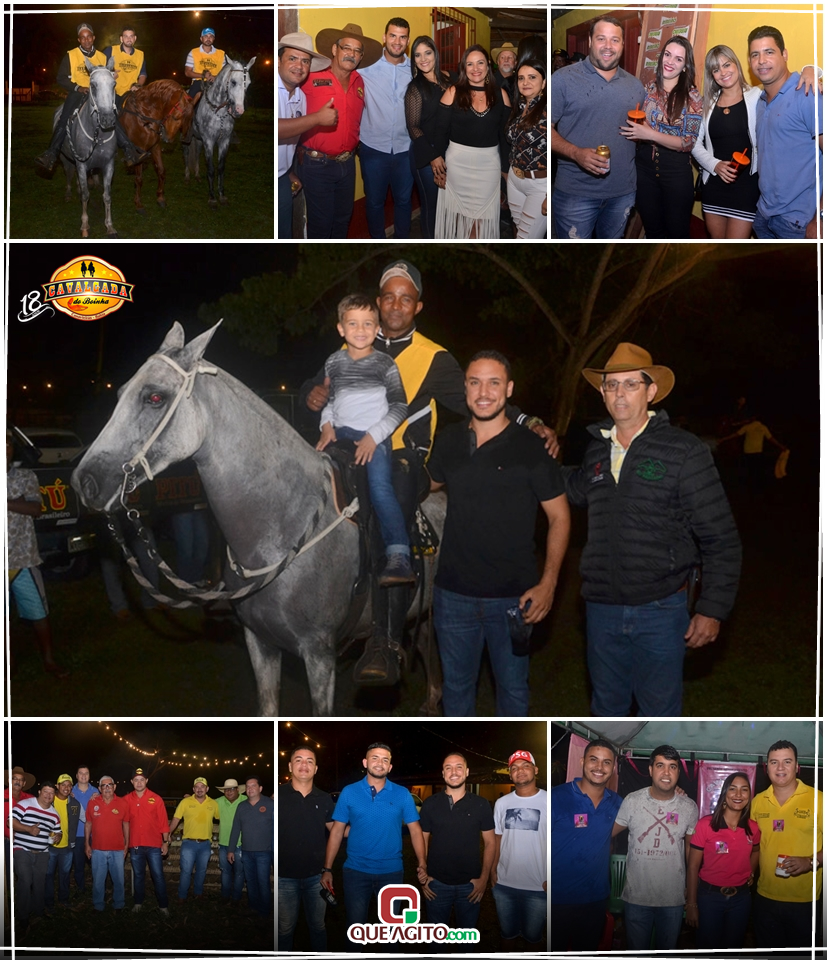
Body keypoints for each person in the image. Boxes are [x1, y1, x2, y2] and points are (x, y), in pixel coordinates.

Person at [301, 260, 558, 683]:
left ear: (418, 306)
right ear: (378, 303)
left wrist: (528, 420)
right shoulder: (354, 339)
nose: (396, 305)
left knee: (393, 499)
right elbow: (317, 389)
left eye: (406, 298)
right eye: (389, 297)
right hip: (344, 449)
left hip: (402, 456)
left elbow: (480, 401)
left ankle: (385, 642)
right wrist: (312, 397)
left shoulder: (435, 358)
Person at [564, 343, 742, 716]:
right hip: (601, 609)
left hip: (660, 609)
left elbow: (721, 537)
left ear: (651, 392)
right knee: (606, 716)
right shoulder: (596, 451)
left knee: (659, 716)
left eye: (631, 384)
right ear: (602, 393)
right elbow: (570, 489)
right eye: (612, 385)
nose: (620, 393)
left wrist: (712, 608)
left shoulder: (683, 450)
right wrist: (530, 457)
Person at [428, 351, 569, 716]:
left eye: (494, 383)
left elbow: (559, 517)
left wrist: (549, 583)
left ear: (509, 389)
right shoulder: (449, 440)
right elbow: (426, 484)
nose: (483, 392)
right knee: (456, 692)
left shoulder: (532, 446)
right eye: (475, 382)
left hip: (513, 599)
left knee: (513, 691)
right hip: (453, 595)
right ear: (465, 388)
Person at [315, 293, 414, 586]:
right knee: (312, 472)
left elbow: (400, 406)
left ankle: (399, 554)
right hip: (340, 433)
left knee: (380, 487)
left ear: (378, 328)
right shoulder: (333, 362)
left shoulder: (385, 363)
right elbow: (331, 401)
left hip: (374, 436)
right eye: (353, 323)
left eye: (368, 323)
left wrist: (374, 436)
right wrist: (326, 426)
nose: (361, 330)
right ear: (340, 328)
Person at [550, 17, 645, 239]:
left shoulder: (636, 86)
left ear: (623, 44)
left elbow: (637, 133)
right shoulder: (562, 79)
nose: (608, 46)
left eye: (615, 40)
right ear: (591, 41)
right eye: (601, 38)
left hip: (622, 192)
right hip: (575, 192)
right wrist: (576, 153)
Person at [321, 743, 426, 935]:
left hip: (391, 872)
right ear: (365, 762)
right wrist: (327, 868)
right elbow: (336, 832)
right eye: (375, 758)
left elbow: (415, 831)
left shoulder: (402, 794)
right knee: (355, 930)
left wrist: (422, 862)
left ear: (390, 767)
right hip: (356, 872)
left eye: (385, 760)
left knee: (392, 931)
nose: (380, 763)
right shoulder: (349, 792)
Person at [611, 745, 699, 950]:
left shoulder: (689, 807)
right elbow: (606, 835)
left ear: (678, 772)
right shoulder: (632, 801)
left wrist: (691, 895)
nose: (666, 772)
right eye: (660, 766)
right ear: (650, 770)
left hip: (673, 899)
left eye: (672, 767)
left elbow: (690, 853)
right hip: (636, 897)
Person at [299, 23, 381, 239]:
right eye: (346, 48)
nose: (351, 54)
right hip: (317, 164)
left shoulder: (360, 82)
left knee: (343, 220)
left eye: (357, 51)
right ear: (335, 50)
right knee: (321, 225)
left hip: (348, 164)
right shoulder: (310, 77)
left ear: (361, 57)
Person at [34, 22, 148, 177]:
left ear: (93, 38)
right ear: (79, 40)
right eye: (83, 37)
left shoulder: (102, 56)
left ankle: (129, 151)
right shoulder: (71, 55)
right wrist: (77, 87)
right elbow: (61, 78)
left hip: (97, 94)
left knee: (111, 115)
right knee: (64, 118)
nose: (86, 40)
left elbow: (107, 76)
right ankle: (51, 154)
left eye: (89, 37)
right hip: (77, 93)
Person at [619, 37, 702, 239]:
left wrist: (650, 134)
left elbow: (688, 142)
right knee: (653, 232)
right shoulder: (647, 89)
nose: (670, 62)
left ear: (685, 66)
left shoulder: (692, 97)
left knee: (677, 235)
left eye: (678, 59)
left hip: (676, 173)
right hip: (644, 170)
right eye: (667, 54)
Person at [749, 25, 823, 239]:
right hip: (764, 215)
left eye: (769, 52)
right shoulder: (760, 101)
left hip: (799, 223)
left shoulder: (808, 94)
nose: (761, 60)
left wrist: (821, 217)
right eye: (755, 54)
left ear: (784, 54)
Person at [7, 431, 69, 677]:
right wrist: (16, 502)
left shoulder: (25, 476)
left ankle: (49, 661)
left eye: (8, 443)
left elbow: (35, 508)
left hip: (24, 559)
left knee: (39, 613)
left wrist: (7, 503)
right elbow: (24, 505)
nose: (4, 448)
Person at [550, 739, 622, 952]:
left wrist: (676, 792)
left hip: (596, 899)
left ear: (613, 768)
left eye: (607, 762)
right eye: (594, 760)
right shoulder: (556, 797)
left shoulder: (618, 803)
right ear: (582, 762)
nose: (600, 767)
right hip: (557, 898)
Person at [751, 739, 823, 949]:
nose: (780, 768)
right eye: (774, 762)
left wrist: (811, 862)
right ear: (766, 768)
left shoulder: (819, 800)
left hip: (805, 901)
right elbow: (751, 845)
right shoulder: (757, 802)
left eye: (787, 761)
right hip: (764, 897)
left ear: (797, 766)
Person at [434, 45, 511, 238]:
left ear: (488, 65)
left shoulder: (501, 95)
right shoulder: (453, 92)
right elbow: (439, 132)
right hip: (457, 165)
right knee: (460, 219)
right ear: (464, 67)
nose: (475, 68)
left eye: (480, 63)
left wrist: (505, 170)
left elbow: (505, 137)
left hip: (488, 166)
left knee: (481, 220)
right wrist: (438, 165)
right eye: (470, 64)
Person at [418, 753, 495, 936]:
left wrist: (484, 879)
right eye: (448, 768)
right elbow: (422, 839)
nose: (454, 772)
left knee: (466, 940)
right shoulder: (430, 804)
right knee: (436, 941)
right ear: (443, 773)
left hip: (470, 885)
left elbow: (490, 842)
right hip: (436, 884)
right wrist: (423, 872)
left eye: (459, 767)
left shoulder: (481, 804)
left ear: (467, 772)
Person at [692, 46, 762, 239]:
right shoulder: (707, 103)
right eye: (716, 69)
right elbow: (694, 144)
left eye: (727, 65)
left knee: (734, 250)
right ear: (712, 75)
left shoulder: (756, 96)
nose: (723, 73)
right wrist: (715, 165)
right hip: (714, 185)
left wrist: (811, 72)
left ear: (736, 64)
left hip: (746, 186)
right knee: (718, 248)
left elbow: (784, 86)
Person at [685, 772, 760, 948]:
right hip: (709, 898)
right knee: (707, 948)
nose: (738, 794)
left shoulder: (753, 828)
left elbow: (756, 851)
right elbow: (693, 867)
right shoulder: (706, 825)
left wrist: (751, 871)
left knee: (733, 948)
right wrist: (692, 904)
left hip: (741, 899)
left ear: (749, 795)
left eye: (744, 790)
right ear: (725, 793)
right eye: (733, 789)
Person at [358, 18, 414, 239]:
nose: (397, 42)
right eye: (393, 35)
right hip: (373, 148)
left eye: (402, 37)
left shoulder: (416, 69)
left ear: (408, 40)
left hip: (405, 149)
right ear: (384, 37)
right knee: (374, 202)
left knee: (404, 201)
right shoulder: (366, 66)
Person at [277, 32, 334, 239]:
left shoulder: (300, 96)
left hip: (282, 177)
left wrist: (289, 171)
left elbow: (291, 137)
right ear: (279, 61)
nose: (299, 66)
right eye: (292, 58)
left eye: (305, 61)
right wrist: (317, 118)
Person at [278, 747, 335, 951]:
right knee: (284, 929)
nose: (304, 765)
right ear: (290, 766)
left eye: (310, 761)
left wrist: (369, 825)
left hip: (317, 877)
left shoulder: (324, 798)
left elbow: (337, 831)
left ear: (316, 768)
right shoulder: (278, 797)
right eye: (299, 760)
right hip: (283, 877)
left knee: (318, 927)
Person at [491, 751, 547, 951]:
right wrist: (493, 870)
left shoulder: (550, 801)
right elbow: (497, 839)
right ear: (510, 774)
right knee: (507, 935)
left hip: (539, 887)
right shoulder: (502, 803)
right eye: (514, 768)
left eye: (525, 766)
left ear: (536, 770)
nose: (520, 771)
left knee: (533, 938)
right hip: (504, 885)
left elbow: (560, 843)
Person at [404, 36, 452, 239]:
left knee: (448, 207)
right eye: (417, 55)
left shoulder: (449, 80)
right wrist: (433, 156)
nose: (423, 59)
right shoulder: (415, 88)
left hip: (449, 151)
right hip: (426, 154)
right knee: (431, 206)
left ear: (435, 54)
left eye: (427, 53)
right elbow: (413, 127)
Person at [12, 781, 61, 938]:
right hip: (22, 849)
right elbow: (10, 822)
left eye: (51, 793)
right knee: (25, 881)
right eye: (45, 791)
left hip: (43, 853)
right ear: (39, 792)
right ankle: (23, 917)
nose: (48, 795)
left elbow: (57, 831)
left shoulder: (54, 814)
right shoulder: (25, 804)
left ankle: (39, 911)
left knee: (40, 883)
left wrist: (58, 837)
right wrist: (28, 829)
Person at [506, 59, 547, 239]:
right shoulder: (519, 107)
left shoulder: (550, 110)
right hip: (514, 181)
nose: (525, 82)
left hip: (539, 185)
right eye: (521, 78)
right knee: (519, 233)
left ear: (543, 83)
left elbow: (560, 154)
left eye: (532, 77)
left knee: (526, 238)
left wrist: (550, 194)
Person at [124, 767, 170, 915]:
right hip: (135, 844)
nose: (139, 783)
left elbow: (163, 823)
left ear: (147, 781)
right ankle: (138, 902)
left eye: (142, 780)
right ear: (132, 782)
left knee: (158, 875)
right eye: (136, 780)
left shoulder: (156, 798)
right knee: (138, 876)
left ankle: (163, 905)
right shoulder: (126, 800)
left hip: (154, 845)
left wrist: (165, 842)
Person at [227, 777, 274, 918]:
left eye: (253, 785)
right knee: (250, 881)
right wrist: (230, 849)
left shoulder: (270, 804)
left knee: (263, 882)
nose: (250, 788)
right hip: (246, 851)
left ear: (260, 788)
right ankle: (253, 907)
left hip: (264, 852)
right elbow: (236, 828)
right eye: (248, 786)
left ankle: (264, 911)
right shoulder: (241, 806)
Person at [168, 776, 220, 903]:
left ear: (207, 789)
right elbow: (176, 819)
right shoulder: (185, 802)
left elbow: (221, 819)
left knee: (201, 871)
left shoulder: (213, 803)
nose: (199, 789)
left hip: (205, 844)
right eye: (197, 787)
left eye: (202, 787)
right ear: (193, 789)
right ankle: (182, 895)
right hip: (188, 843)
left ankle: (198, 893)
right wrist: (168, 834)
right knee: (186, 871)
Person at [84, 775, 129, 913]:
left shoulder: (123, 803)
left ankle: (119, 904)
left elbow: (126, 824)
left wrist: (127, 844)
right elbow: (88, 823)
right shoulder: (92, 803)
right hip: (98, 849)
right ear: (99, 788)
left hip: (117, 849)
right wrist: (87, 844)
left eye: (110, 785)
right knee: (98, 880)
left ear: (114, 787)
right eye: (104, 785)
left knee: (119, 880)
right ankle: (98, 905)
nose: (107, 788)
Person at [45, 774, 82, 912]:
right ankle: (48, 902)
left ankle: (64, 899)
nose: (66, 788)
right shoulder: (49, 801)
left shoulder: (75, 804)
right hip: (49, 847)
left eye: (69, 785)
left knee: (65, 875)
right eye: (63, 784)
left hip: (67, 847)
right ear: (57, 786)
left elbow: (87, 818)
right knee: (48, 875)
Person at [215, 778, 246, 906]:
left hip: (241, 844)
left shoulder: (245, 801)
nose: (229, 792)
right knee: (225, 871)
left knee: (239, 872)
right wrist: (190, 798)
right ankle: (225, 896)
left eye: (232, 789)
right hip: (224, 843)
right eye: (226, 790)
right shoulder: (218, 802)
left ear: (238, 790)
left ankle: (236, 898)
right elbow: (204, 804)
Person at [5, 766, 35, 894]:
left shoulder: (30, 799)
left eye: (20, 779)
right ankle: (8, 898)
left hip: (24, 843)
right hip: (5, 842)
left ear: (24, 783)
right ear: (9, 780)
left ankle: (26, 899)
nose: (17, 781)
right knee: (6, 874)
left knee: (26, 873)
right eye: (14, 778)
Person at [70, 765, 99, 896]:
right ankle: (80, 888)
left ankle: (97, 888)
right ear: (76, 776)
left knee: (96, 864)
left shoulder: (96, 792)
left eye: (86, 773)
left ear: (89, 776)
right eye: (81, 773)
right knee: (78, 864)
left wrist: (99, 798)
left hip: (94, 834)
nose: (83, 775)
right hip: (76, 834)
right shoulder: (69, 791)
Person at [102, 25, 147, 108]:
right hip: (113, 93)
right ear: (121, 38)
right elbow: (100, 69)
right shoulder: (110, 50)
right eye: (126, 36)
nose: (129, 39)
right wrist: (109, 74)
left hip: (132, 94)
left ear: (135, 38)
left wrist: (138, 85)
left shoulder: (140, 55)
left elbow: (143, 74)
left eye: (131, 36)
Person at [185, 27, 225, 100]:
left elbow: (225, 72)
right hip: (198, 83)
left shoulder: (221, 54)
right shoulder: (193, 52)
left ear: (214, 39)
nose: (208, 38)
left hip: (216, 83)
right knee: (188, 103)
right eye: (206, 36)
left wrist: (215, 77)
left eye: (211, 36)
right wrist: (203, 75)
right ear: (201, 38)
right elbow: (187, 72)